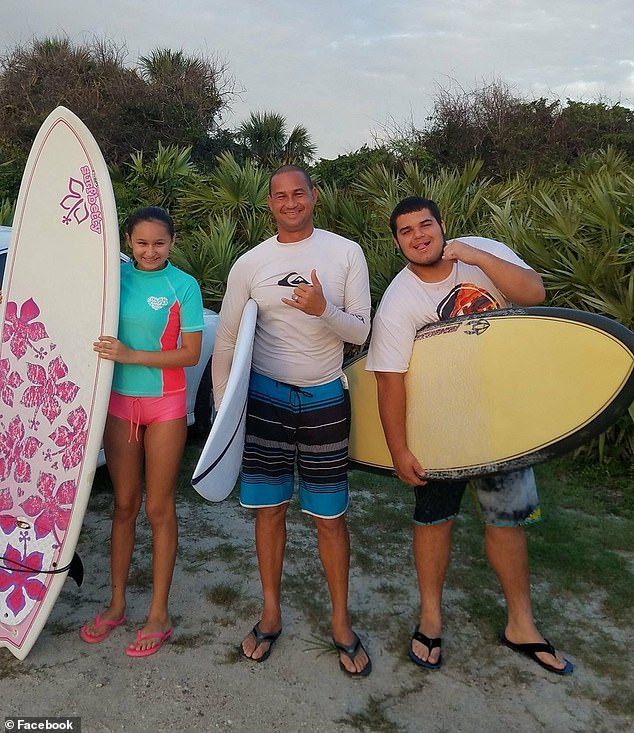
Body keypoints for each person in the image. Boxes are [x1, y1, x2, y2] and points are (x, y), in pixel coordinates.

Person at [366, 196, 573, 675]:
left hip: (502, 421)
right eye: (406, 231)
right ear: (397, 243)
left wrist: (476, 258)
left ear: (442, 227)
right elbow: (388, 379)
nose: (419, 236)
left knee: (507, 520)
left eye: (426, 225)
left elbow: (534, 294)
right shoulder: (399, 301)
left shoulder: (483, 251)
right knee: (433, 519)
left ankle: (522, 624)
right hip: (440, 426)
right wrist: (399, 448)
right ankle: (431, 619)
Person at [212, 165, 372, 676]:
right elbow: (230, 338)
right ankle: (271, 612)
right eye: (279, 196)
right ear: (270, 204)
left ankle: (341, 622)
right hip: (265, 398)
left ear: (314, 196)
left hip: (325, 394)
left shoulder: (345, 252)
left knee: (330, 516)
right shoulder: (250, 264)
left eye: (297, 193)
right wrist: (223, 411)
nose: (290, 202)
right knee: (270, 510)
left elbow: (361, 332)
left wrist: (324, 309)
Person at [80, 206, 204, 657]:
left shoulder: (183, 286)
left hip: (165, 406)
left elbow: (190, 354)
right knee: (124, 505)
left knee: (158, 507)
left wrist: (130, 356)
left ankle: (159, 613)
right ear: (127, 241)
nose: (150, 252)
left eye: (159, 243)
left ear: (172, 242)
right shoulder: (112, 280)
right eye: (141, 243)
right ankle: (115, 605)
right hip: (117, 405)